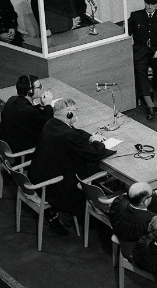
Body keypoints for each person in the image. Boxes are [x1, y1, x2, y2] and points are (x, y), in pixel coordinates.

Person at [28, 98, 113, 234]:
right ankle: (71, 215)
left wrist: (90, 137)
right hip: (57, 186)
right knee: (93, 169)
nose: (76, 114)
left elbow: (75, 131)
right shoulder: (68, 136)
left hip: (40, 175)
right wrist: (98, 142)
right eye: (74, 111)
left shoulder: (51, 123)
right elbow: (93, 153)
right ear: (69, 114)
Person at [0, 75, 54, 153]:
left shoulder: (12, 99)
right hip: (19, 153)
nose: (42, 88)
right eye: (39, 87)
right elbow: (48, 125)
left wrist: (41, 105)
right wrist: (48, 104)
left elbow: (31, 113)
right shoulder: (29, 112)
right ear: (30, 92)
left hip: (8, 144)